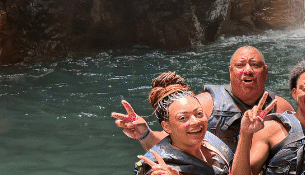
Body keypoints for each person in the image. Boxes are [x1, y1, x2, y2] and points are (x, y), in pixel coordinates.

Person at [112, 46, 293, 151]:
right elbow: (171, 142)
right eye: (240, 65)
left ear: (266, 71)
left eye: (255, 65)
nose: (248, 70)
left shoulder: (281, 107)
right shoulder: (205, 104)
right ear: (230, 71)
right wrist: (144, 135)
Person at [131, 72, 234, 175]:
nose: (195, 122)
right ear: (166, 126)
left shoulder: (209, 143)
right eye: (183, 118)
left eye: (199, 114)